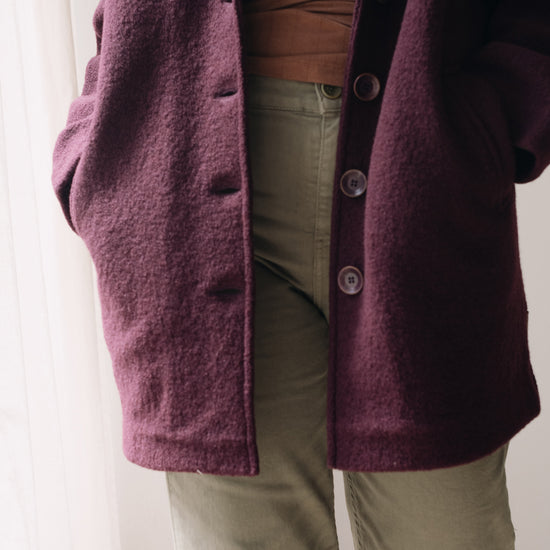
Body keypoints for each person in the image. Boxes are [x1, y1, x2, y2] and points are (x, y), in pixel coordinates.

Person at [51, 1, 550, 548]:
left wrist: (493, 126)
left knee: (449, 533)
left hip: (416, 162)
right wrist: (90, 143)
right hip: (187, 175)